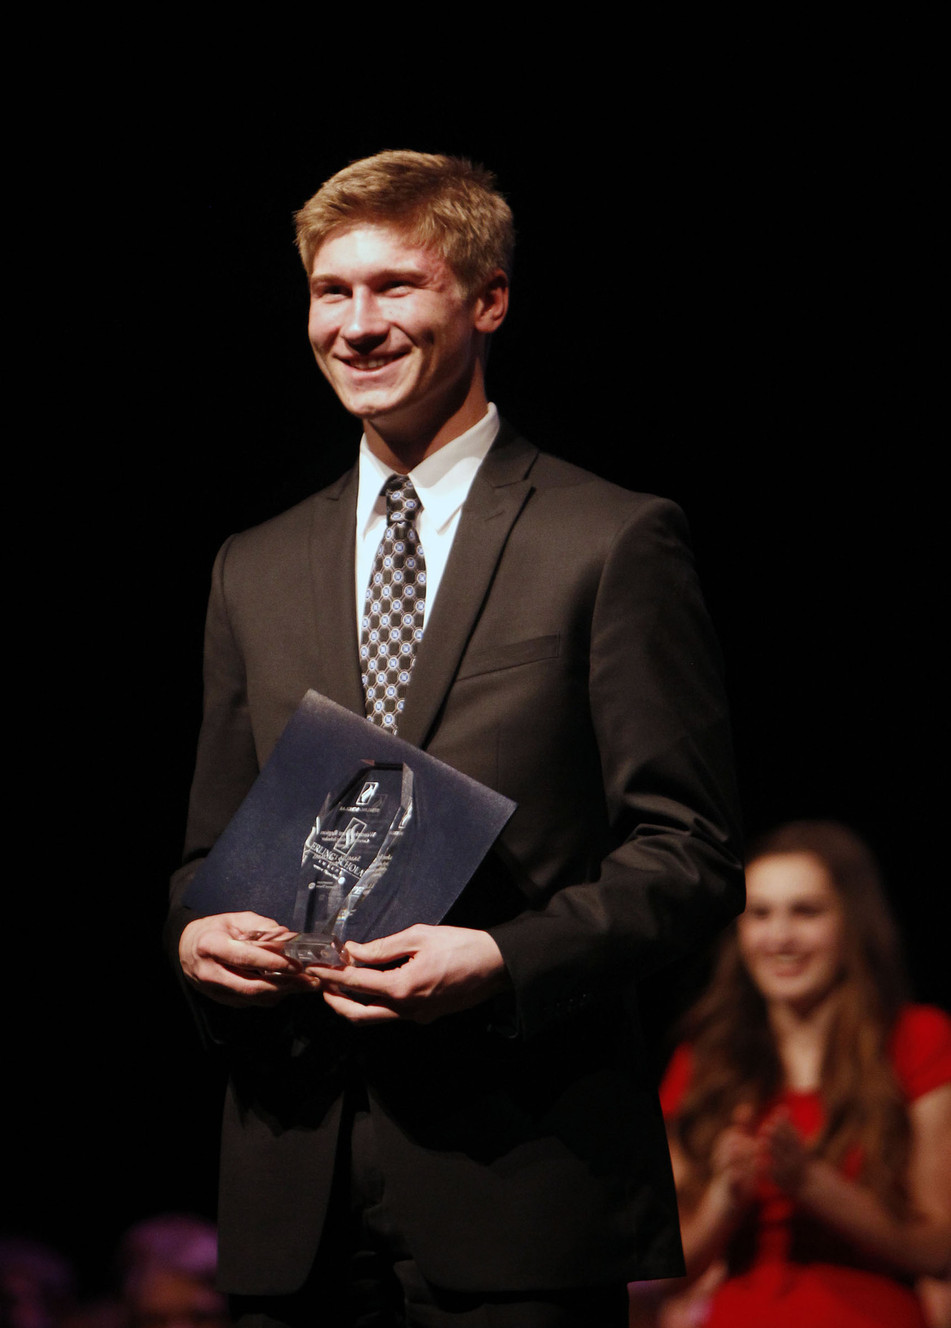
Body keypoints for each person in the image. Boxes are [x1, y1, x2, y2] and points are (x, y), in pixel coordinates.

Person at [166, 149, 744, 1327]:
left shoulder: (612, 540)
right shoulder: (254, 564)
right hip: (295, 1190)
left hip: (519, 1179)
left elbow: (687, 853)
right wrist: (193, 936)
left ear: (488, 301)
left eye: (397, 288)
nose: (357, 325)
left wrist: (503, 960)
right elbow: (206, 852)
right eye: (333, 291)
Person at [654, 820, 951, 1328]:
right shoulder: (705, 1058)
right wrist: (724, 1202)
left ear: (851, 923)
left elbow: (939, 1247)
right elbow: (661, 1272)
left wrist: (812, 1183)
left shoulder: (917, 1039)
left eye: (806, 912)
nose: (780, 938)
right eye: (760, 914)